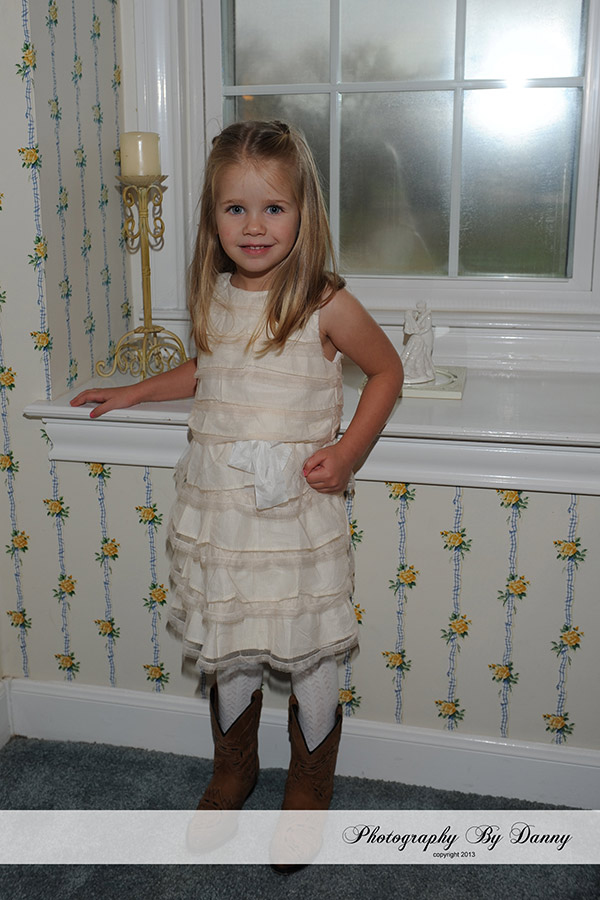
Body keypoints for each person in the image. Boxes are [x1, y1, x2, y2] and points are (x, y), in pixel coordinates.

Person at [71, 120, 403, 823]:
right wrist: (137, 390)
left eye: (273, 207)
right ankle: (234, 767)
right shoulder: (217, 295)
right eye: (236, 208)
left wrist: (347, 454)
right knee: (231, 652)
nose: (254, 226)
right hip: (223, 513)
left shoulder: (325, 304)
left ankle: (309, 784)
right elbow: (209, 370)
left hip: (294, 516)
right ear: (213, 216)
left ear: (303, 213)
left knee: (310, 653)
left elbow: (386, 371)